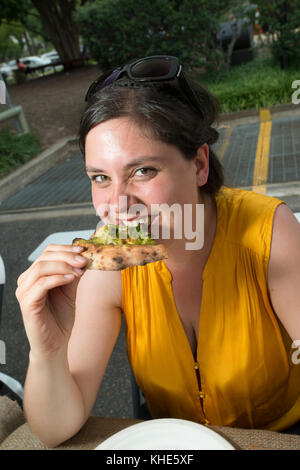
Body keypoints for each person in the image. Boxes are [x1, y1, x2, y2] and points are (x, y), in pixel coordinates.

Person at [16, 55, 300, 447]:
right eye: (100, 177)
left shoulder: (269, 231)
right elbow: (55, 429)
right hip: (169, 444)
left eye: (143, 171)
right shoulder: (108, 268)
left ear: (199, 164)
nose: (117, 204)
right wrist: (47, 351)